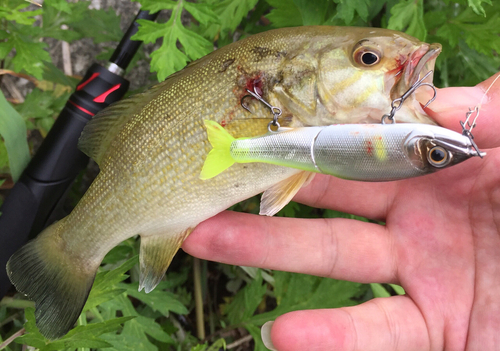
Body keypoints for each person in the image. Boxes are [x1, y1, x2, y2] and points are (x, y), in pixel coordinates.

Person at [182, 73, 500, 351]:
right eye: (438, 153)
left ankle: (231, 149)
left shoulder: (412, 150)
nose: (442, 150)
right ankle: (232, 149)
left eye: (437, 155)